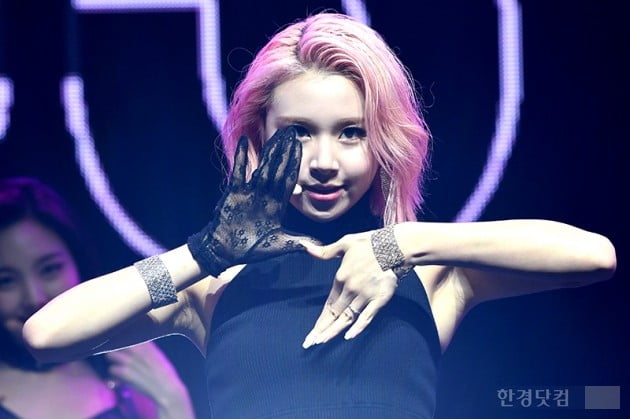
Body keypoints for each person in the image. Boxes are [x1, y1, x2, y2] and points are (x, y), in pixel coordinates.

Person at [22, 13, 616, 418]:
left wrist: (398, 245)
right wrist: (204, 253)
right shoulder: (213, 285)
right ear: (257, 142)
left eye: (352, 133)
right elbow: (46, 336)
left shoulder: (432, 274)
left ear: (382, 143)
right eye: (300, 133)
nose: (325, 162)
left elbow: (593, 257)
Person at [0, 177, 195, 419]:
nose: (34, 297)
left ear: (78, 263)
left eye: (50, 269)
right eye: (5, 281)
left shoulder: (130, 369)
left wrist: (172, 399)